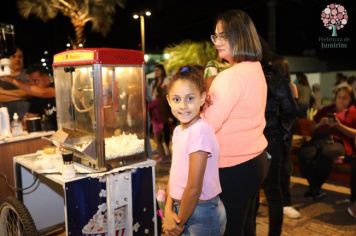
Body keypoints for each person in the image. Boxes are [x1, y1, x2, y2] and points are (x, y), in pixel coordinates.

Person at [203, 9, 270, 235]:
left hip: (234, 167)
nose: (217, 42)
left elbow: (208, 126)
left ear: (240, 36)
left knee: (230, 228)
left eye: (223, 35)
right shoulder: (255, 69)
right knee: (246, 224)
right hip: (256, 160)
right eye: (216, 36)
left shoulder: (229, 77)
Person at [163, 65, 226, 235]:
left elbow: (194, 187)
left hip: (201, 212)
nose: (183, 105)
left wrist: (177, 223)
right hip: (181, 208)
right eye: (176, 99)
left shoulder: (200, 131)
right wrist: (168, 210)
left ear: (202, 98)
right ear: (169, 100)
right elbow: (175, 173)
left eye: (190, 98)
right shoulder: (178, 131)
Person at [259, 55, 298, 236]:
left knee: (267, 191)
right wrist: (281, 136)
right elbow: (290, 111)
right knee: (273, 190)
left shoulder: (264, 78)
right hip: (272, 138)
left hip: (265, 138)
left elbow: (290, 111)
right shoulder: (277, 80)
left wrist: (280, 135)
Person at [298, 85, 356, 201]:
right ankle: (316, 188)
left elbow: (354, 133)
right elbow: (312, 129)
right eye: (339, 97)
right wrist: (320, 124)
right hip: (319, 139)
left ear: (351, 100)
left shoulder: (353, 111)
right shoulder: (327, 109)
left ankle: (314, 188)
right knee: (304, 153)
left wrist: (339, 126)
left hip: (338, 142)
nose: (341, 100)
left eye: (345, 98)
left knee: (325, 155)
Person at [0, 64, 57, 130]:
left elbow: (43, 92)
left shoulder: (56, 88)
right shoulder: (37, 99)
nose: (32, 85)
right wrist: (13, 127)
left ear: (47, 78)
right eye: (30, 82)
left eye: (35, 81)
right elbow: (28, 119)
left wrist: (11, 80)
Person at [0, 47, 30, 120]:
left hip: (27, 119)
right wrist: (23, 95)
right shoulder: (1, 76)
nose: (17, 59)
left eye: (20, 57)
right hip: (6, 122)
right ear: (7, 59)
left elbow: (30, 93)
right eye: (14, 56)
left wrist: (3, 92)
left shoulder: (29, 74)